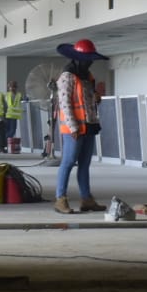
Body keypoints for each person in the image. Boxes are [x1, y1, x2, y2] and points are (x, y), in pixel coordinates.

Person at [54, 38, 108, 214]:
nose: (89, 63)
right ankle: (60, 199)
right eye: (87, 60)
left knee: (84, 165)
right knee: (68, 162)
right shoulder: (67, 77)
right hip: (74, 129)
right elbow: (65, 103)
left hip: (89, 126)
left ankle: (87, 199)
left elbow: (86, 100)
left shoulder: (87, 76)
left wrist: (95, 98)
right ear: (78, 59)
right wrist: (73, 127)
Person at [4, 80, 24, 146]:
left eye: (13, 87)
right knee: (8, 131)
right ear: (9, 87)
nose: (12, 88)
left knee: (12, 131)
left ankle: (2, 142)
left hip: (14, 116)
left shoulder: (19, 95)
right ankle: (3, 142)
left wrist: (25, 99)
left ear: (16, 87)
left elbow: (22, 100)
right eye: (10, 87)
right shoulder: (6, 95)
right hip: (7, 116)